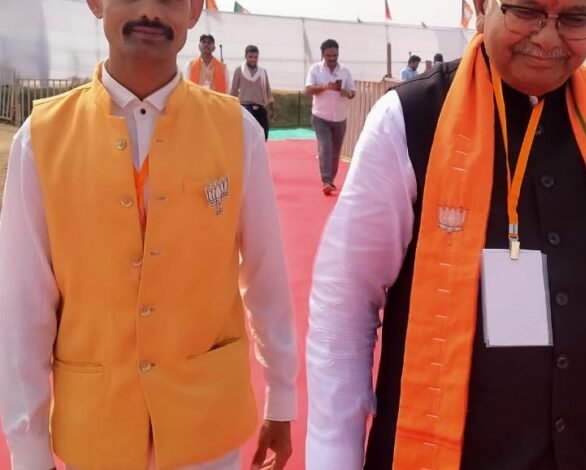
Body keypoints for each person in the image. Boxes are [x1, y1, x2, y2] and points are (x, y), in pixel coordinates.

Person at [306, 0, 586, 469]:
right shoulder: (409, 121)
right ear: (481, 6)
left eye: (574, 19)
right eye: (526, 10)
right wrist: (333, 457)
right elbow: (344, 307)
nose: (548, 38)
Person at [0, 1, 297, 469]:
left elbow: (266, 278)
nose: (150, 11)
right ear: (96, 2)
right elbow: (22, 308)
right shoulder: (41, 139)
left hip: (206, 429)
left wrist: (281, 396)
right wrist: (29, 450)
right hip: (95, 429)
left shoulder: (237, 132)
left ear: (195, 10)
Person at [305, 39, 356, 195]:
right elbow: (308, 89)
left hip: (340, 118)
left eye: (335, 55)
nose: (332, 58)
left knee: (335, 152)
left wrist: (346, 93)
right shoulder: (315, 69)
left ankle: (331, 180)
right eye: (328, 55)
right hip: (320, 116)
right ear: (322, 54)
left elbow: (353, 92)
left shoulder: (345, 71)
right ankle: (326, 180)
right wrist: (324, 87)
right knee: (325, 147)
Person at [231, 44, 275, 140]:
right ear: (245, 56)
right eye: (250, 57)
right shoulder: (239, 71)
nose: (253, 59)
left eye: (255, 57)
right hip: (245, 107)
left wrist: (271, 107)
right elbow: (234, 90)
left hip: (260, 106)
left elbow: (267, 89)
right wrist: (231, 107)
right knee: (247, 137)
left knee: (263, 136)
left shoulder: (262, 72)